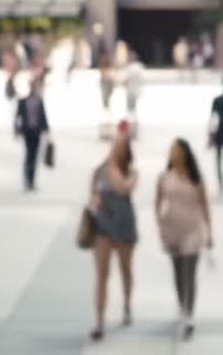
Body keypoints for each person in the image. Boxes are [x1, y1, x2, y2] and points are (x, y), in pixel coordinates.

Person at [156, 138, 214, 340]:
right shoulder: (165, 177)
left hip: (192, 229)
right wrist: (161, 224)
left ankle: (189, 314)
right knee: (178, 272)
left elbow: (205, 205)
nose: (174, 154)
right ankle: (182, 306)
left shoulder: (195, 178)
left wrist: (209, 232)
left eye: (177, 150)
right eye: (172, 150)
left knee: (189, 272)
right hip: (172, 230)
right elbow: (158, 201)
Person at [88, 126, 139, 342]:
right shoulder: (99, 170)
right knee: (101, 274)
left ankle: (127, 305)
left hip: (124, 226)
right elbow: (92, 194)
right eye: (113, 145)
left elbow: (123, 188)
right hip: (102, 228)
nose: (114, 149)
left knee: (125, 269)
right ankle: (99, 321)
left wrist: (111, 168)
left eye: (118, 146)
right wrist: (95, 200)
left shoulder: (131, 171)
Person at [15, 77, 51, 191]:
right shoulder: (23, 101)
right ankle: (27, 179)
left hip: (37, 131)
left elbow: (43, 115)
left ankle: (32, 180)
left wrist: (47, 130)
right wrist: (17, 129)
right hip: (27, 132)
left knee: (34, 157)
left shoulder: (39, 100)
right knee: (29, 155)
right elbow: (18, 116)